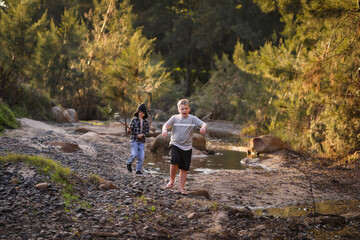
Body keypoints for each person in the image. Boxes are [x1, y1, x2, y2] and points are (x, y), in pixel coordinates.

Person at [162, 99, 207, 195]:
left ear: (189, 109)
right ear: (179, 110)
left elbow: (204, 124)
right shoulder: (174, 118)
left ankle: (181, 188)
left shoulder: (193, 118)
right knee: (174, 162)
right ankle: (171, 181)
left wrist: (203, 127)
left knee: (184, 168)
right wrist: (164, 130)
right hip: (175, 144)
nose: (184, 111)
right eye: (182, 109)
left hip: (187, 147)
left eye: (186, 109)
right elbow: (166, 125)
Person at [126, 104, 150, 175]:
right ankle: (129, 163)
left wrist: (142, 134)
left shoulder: (146, 122)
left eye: (142, 112)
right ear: (138, 112)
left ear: (144, 113)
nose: (140, 114)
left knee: (141, 156)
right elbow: (130, 129)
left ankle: (138, 170)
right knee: (134, 154)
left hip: (142, 141)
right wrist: (129, 130)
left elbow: (147, 132)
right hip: (134, 140)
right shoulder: (134, 119)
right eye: (139, 112)